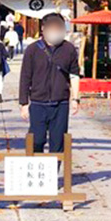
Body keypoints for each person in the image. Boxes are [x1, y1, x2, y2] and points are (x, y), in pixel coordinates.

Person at [18, 12, 81, 155]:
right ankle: (37, 169)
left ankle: (52, 173)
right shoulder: (33, 50)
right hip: (38, 102)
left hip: (61, 103)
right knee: (37, 140)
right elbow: (25, 77)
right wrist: (23, 103)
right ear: (43, 29)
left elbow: (74, 75)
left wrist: (75, 99)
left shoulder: (68, 49)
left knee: (58, 142)